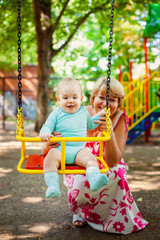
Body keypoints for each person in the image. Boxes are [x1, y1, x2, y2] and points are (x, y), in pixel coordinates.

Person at [42, 76, 148, 234]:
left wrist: (109, 133)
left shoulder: (119, 118)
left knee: (117, 174)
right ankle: (80, 212)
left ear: (118, 103)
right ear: (92, 98)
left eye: (112, 100)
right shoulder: (75, 111)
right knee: (79, 187)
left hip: (104, 161)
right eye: (101, 97)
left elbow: (113, 161)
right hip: (76, 160)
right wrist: (50, 142)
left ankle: (108, 217)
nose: (105, 104)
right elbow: (45, 150)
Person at [40, 77, 109, 198]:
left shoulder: (83, 113)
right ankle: (53, 186)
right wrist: (45, 132)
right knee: (49, 160)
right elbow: (47, 126)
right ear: (58, 99)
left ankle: (94, 180)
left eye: (74, 97)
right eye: (65, 98)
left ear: (81, 99)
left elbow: (91, 124)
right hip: (59, 150)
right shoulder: (56, 113)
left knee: (91, 159)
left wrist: (100, 115)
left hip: (78, 150)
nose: (70, 101)